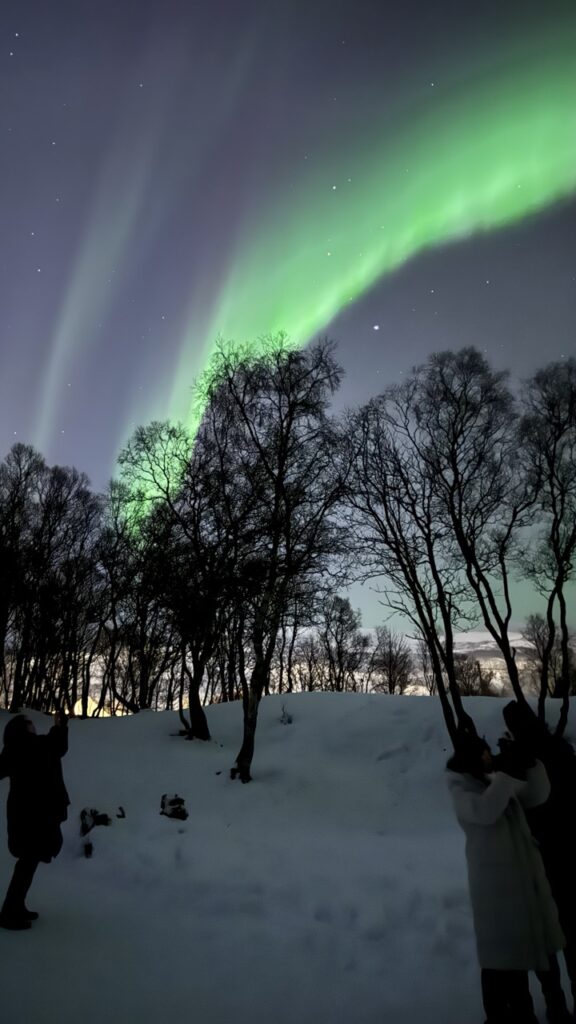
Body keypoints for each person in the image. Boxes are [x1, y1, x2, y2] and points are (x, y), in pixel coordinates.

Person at [447, 729, 571, 1023]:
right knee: (507, 965)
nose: (489, 757)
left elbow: (537, 795)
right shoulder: (462, 790)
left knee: (545, 957)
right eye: (483, 753)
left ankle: (558, 1010)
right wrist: (504, 776)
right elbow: (486, 811)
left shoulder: (491, 781)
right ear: (471, 759)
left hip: (528, 886)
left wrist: (529, 764)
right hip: (499, 895)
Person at [502, 700, 576, 1013]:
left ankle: (556, 1004)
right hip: (568, 852)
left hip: (538, 855)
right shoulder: (559, 748)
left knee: (546, 937)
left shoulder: (522, 758)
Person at [0, 712, 70, 930]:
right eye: (28, 723)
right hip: (28, 816)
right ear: (18, 729)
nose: (32, 725)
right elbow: (55, 746)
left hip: (36, 814)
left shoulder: (32, 746)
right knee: (27, 862)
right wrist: (59, 728)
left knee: (29, 862)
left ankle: (16, 906)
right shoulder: (22, 747)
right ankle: (9, 913)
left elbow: (56, 746)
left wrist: (60, 726)